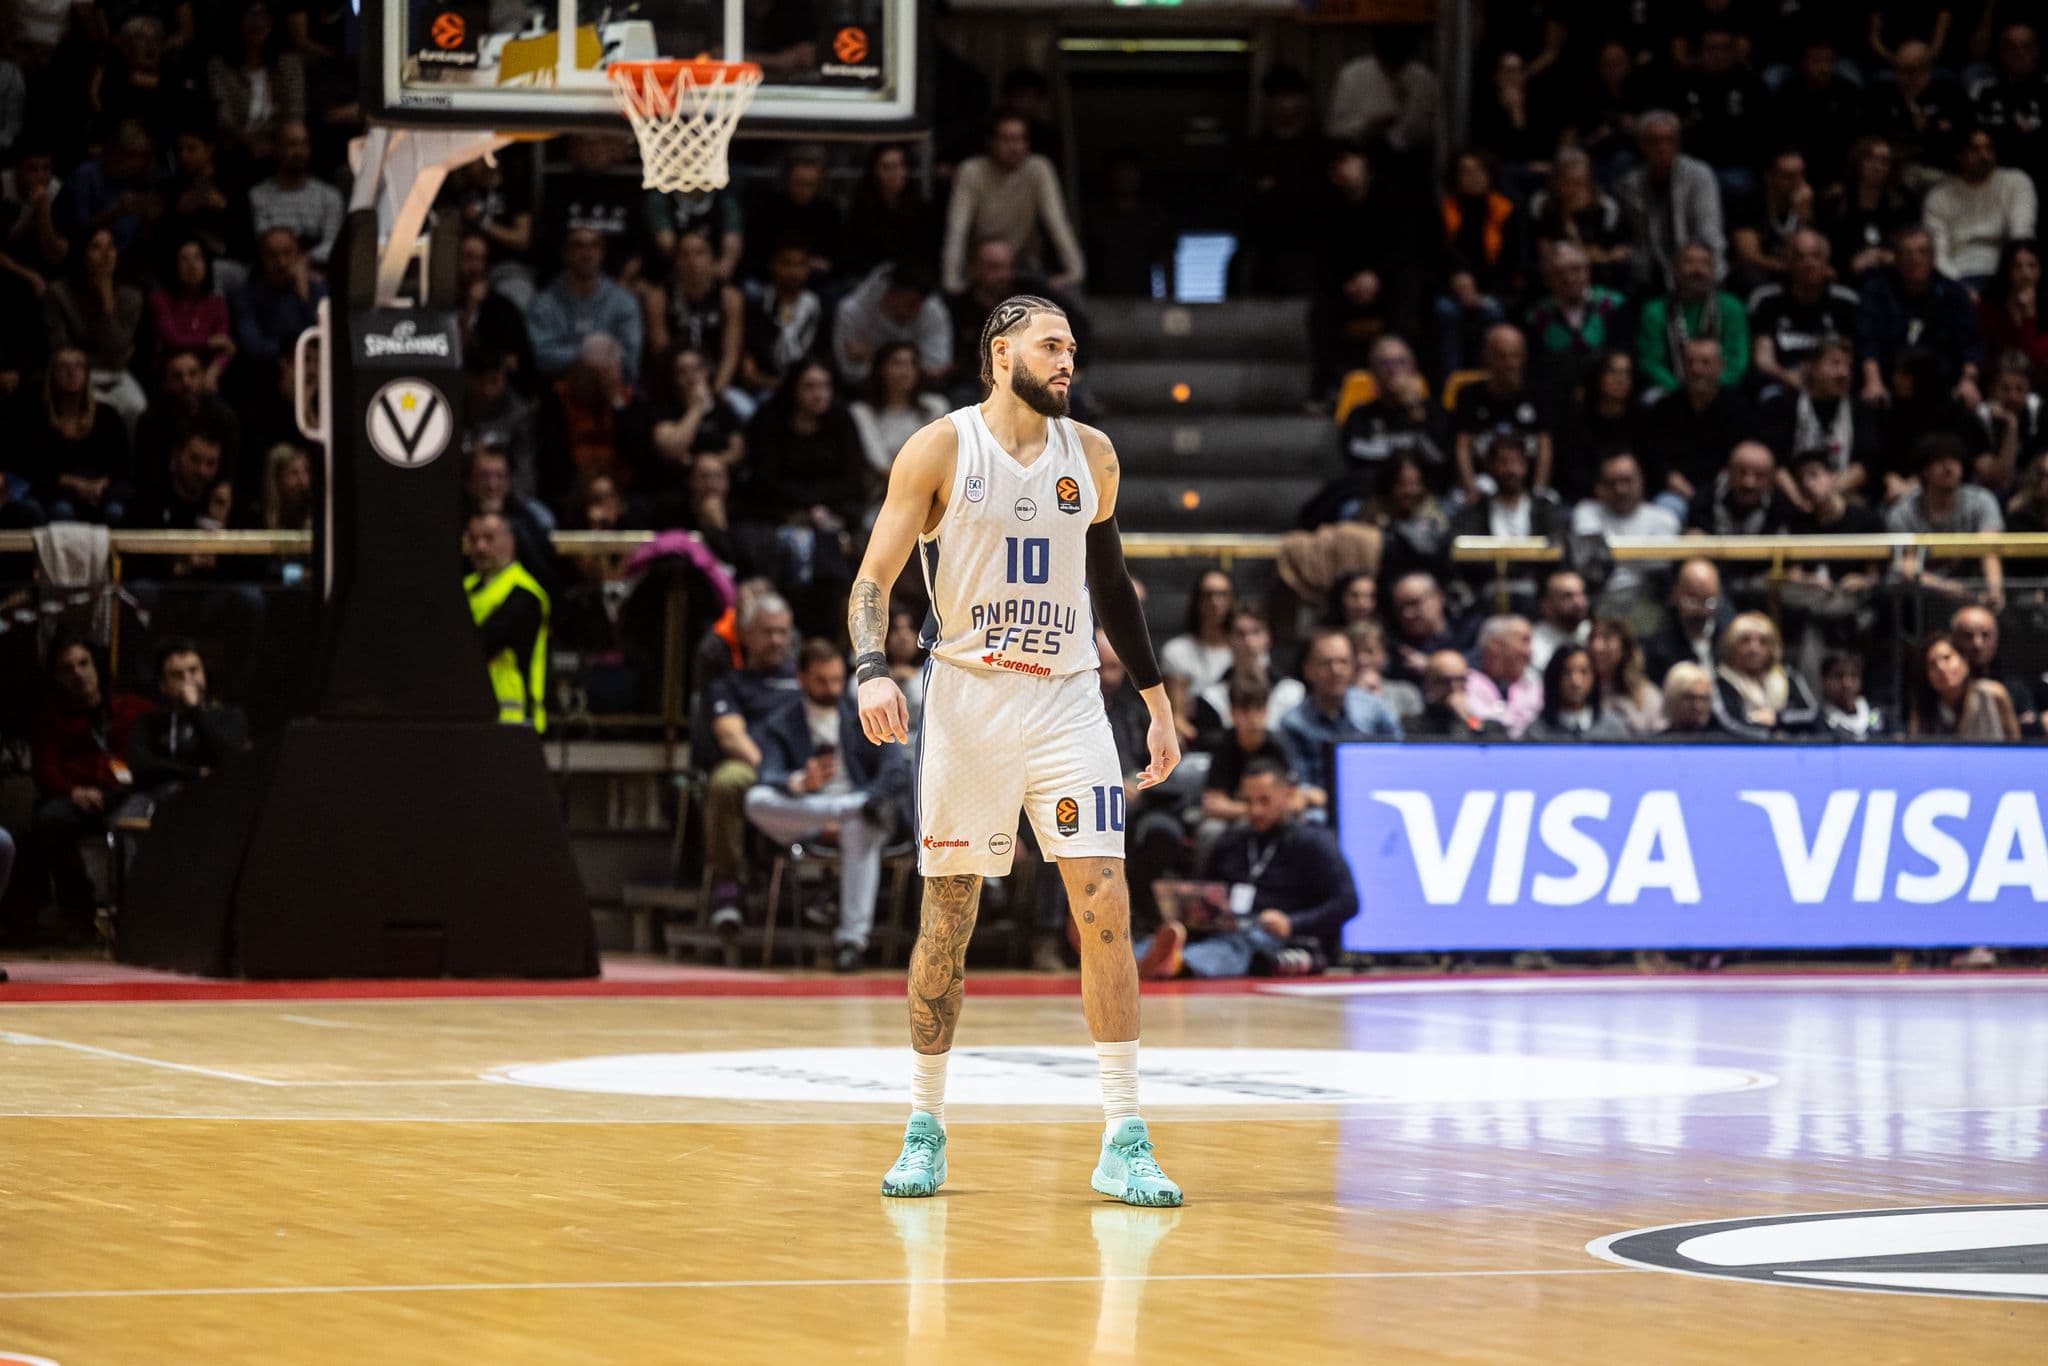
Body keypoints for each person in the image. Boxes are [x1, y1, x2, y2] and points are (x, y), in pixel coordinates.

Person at [850, 292, 1184, 1206]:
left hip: (1070, 700)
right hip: (970, 699)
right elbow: (873, 578)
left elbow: (1111, 581)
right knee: (948, 918)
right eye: (1050, 345)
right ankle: (925, 1124)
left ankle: (1124, 1133)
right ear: (1002, 354)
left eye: (1073, 347)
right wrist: (872, 669)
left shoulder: (1094, 455)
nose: (1068, 360)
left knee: (1105, 900)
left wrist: (1155, 701)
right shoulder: (940, 449)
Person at [743, 638, 909, 973]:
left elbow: (894, 769)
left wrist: (870, 800)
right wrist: (800, 782)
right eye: (821, 681)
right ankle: (845, 813)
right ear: (801, 677)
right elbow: (767, 773)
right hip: (810, 813)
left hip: (862, 809)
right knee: (756, 800)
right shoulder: (782, 721)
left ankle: (852, 941)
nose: (831, 688)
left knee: (859, 825)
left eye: (836, 680)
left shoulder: (863, 713)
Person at [1136, 760, 1356, 980]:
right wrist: (1194, 910)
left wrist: (1292, 923)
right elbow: (1206, 888)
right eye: (1248, 801)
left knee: (1241, 947)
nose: (1255, 810)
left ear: (1287, 795)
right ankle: (1142, 960)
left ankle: (1177, 963)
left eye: (1264, 801)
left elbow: (1347, 902)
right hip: (1223, 928)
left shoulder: (1313, 841)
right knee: (1161, 941)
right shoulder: (1231, 840)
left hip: (1273, 936)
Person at [31, 636, 153, 933]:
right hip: (79, 795)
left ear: (96, 666)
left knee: (133, 819)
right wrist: (73, 792)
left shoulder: (131, 708)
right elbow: (45, 770)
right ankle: (78, 912)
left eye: (83, 664)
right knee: (49, 819)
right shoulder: (51, 719)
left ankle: (133, 915)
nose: (78, 674)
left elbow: (154, 752)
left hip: (126, 792)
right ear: (57, 678)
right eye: (67, 669)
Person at [941, 113, 1085, 294]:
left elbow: (1056, 221)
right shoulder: (972, 171)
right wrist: (951, 280)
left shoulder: (1038, 169)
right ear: (991, 143)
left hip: (1022, 265)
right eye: (1007, 140)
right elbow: (957, 229)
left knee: (1067, 296)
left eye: (1021, 139)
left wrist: (1075, 271)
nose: (1015, 147)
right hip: (981, 267)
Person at [1856, 226, 1984, 404]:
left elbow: (1970, 346)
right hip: (1889, 384)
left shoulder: (1954, 294)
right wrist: (1873, 382)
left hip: (1942, 386)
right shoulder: (1877, 291)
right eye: (1907, 253)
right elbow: (1868, 342)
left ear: (1933, 257)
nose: (1915, 259)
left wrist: (1968, 381)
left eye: (1922, 252)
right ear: (1896, 258)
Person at [125, 637, 250, 815]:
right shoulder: (149, 721)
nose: (188, 679)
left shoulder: (229, 716)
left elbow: (229, 758)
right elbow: (140, 765)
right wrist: (194, 771)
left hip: (211, 799)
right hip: (157, 797)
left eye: (193, 670)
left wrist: (195, 710)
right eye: (177, 675)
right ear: (163, 685)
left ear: (204, 673)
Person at [1756, 336, 1880, 500]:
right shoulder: (1783, 405)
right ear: (1812, 367)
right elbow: (1775, 462)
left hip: (1841, 495)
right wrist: (1798, 499)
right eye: (1835, 364)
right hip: (1791, 494)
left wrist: (1826, 493)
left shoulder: (1860, 410)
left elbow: (1866, 464)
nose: (1844, 373)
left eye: (1848, 366)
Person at [1615, 110, 1726, 292]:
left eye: (1669, 140)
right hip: (1651, 269)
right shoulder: (1631, 184)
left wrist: (1697, 267)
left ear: (1678, 143)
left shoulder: (1699, 175)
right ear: (1642, 145)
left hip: (1697, 263)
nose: (1662, 147)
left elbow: (1708, 232)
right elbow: (1635, 236)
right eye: (1654, 141)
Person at [1748, 230, 1863, 396]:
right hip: (1783, 382)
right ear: (1788, 262)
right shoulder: (1766, 300)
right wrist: (1788, 376)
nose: (1809, 263)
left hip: (1834, 381)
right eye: (1800, 257)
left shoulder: (1846, 301)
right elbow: (1763, 359)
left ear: (1825, 262)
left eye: (1815, 256)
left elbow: (1853, 355)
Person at [463, 511, 549, 732]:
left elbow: (480, 647)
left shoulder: (525, 594)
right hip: (469, 715)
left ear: (510, 541)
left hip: (514, 718)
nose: (480, 547)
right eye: (473, 539)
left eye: (489, 538)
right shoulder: (465, 587)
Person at [1921, 128, 2038, 291]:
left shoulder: (2016, 182)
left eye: (1989, 149)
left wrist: (2010, 281)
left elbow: (2021, 237)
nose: (1984, 156)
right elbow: (1938, 253)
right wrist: (1960, 289)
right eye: (1974, 150)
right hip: (1958, 274)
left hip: (2006, 274)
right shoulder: (1939, 196)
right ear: (1959, 155)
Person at [1451, 323, 1552, 498]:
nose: (1510, 363)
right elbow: (1462, 447)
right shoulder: (1469, 395)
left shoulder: (1538, 395)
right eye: (1502, 356)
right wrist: (1471, 490)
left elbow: (1545, 447)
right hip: (1482, 486)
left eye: (1515, 355)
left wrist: (1538, 491)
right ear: (1487, 358)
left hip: (1526, 489)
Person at [528, 228, 644, 380]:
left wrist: (587, 360)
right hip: (562, 385)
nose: (587, 253)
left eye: (594, 245)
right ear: (566, 253)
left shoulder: (623, 301)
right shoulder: (544, 303)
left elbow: (630, 358)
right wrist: (591, 356)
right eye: (578, 246)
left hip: (611, 385)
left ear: (602, 253)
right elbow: (540, 355)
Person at [1569, 453, 1682, 606]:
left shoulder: (1664, 519)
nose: (1620, 489)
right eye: (1612, 482)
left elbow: (1660, 569)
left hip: (1648, 602)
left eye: (1627, 480)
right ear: (1599, 487)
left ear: (1641, 481)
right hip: (1596, 600)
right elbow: (1591, 563)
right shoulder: (1586, 512)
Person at [1637, 242, 1746, 396]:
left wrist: (1711, 387)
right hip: (1670, 390)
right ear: (1674, 270)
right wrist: (1681, 391)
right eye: (1689, 262)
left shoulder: (1731, 307)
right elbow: (1651, 362)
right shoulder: (1655, 311)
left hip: (1721, 389)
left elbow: (1737, 360)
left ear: (1714, 271)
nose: (1698, 269)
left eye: (1705, 263)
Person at [833, 260, 952, 388]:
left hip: (917, 389)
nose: (913, 311)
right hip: (865, 388)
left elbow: (937, 366)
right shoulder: (853, 310)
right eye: (910, 303)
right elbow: (849, 370)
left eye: (919, 304)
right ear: (890, 292)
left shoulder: (933, 310)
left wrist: (875, 358)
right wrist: (910, 366)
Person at [246, 120, 342, 265]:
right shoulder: (258, 195)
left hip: (315, 270)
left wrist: (303, 261)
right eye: (292, 145)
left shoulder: (329, 197)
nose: (299, 152)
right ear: (277, 149)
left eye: (304, 144)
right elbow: (262, 243)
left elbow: (332, 246)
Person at [1711, 612, 1820, 738]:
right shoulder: (1722, 681)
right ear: (1731, 646)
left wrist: (1777, 718)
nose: (1754, 649)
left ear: (1772, 648)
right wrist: (1768, 735)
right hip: (1745, 745)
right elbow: (1729, 723)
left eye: (1762, 642)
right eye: (1745, 641)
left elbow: (1811, 714)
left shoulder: (1788, 677)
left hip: (1789, 744)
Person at [1160, 568, 1235, 747]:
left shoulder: (1243, 649)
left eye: (1223, 594)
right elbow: (1177, 718)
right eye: (1208, 595)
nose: (1215, 602)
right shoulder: (1177, 652)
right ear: (1198, 600)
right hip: (1199, 741)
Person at [1910, 632, 2019, 739]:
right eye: (1932, 664)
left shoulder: (1993, 695)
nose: (1941, 668)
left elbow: (2015, 743)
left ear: (1964, 660)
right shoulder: (1923, 709)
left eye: (1947, 658)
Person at [1949, 603, 2039, 732]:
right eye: (1968, 636)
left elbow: (2032, 735)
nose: (1977, 644)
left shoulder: (2016, 688)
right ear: (1954, 639)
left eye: (1985, 635)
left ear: (1996, 639)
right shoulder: (1942, 685)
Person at [1643, 558, 1730, 682]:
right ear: (1675, 595)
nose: (1701, 611)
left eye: (1709, 602)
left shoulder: (1727, 640)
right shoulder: (1658, 649)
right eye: (1692, 602)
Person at [1523, 643, 1628, 739]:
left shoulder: (1614, 729)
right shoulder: (1536, 733)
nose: (1576, 682)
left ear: (1594, 677)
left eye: (1584, 672)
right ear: (1554, 677)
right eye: (1567, 672)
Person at [1978, 239, 2048, 379]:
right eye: (2017, 266)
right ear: (2008, 270)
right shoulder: (1990, 307)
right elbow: (1985, 354)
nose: (2025, 274)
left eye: (2032, 266)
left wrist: (2029, 316)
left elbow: (2039, 358)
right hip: (1998, 379)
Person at [1686, 441, 1784, 537]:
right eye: (1742, 472)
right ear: (1728, 470)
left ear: (1770, 478)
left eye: (1759, 475)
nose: (1749, 483)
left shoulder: (1781, 506)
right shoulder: (1704, 500)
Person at [1465, 614, 1542, 736]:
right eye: (1524, 641)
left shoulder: (1535, 685)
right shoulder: (1464, 683)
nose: (1528, 652)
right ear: (1496, 645)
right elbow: (1475, 724)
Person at [1403, 648, 1507, 738]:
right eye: (1444, 681)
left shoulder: (1485, 725)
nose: (1454, 687)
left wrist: (1468, 718)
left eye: (1460, 679)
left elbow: (1488, 738)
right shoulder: (1413, 726)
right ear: (1428, 684)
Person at [1587, 616, 1665, 734]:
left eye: (1606, 639)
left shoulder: (1647, 695)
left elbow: (1660, 738)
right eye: (1592, 639)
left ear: (1625, 649)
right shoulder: (1579, 693)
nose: (1596, 647)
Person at [1818, 651, 1887, 739]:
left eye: (1853, 675)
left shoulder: (1880, 715)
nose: (1847, 683)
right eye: (1839, 676)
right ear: (1824, 680)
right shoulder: (1818, 724)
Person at [1529, 568, 1589, 670]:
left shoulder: (1594, 634)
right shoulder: (1531, 644)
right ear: (1546, 606)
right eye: (1567, 596)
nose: (1578, 603)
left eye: (1581, 594)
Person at [1660, 660, 1726, 735]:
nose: (1698, 706)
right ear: (1673, 698)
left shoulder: (1722, 740)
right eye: (1690, 698)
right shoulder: (1656, 741)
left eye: (1703, 699)